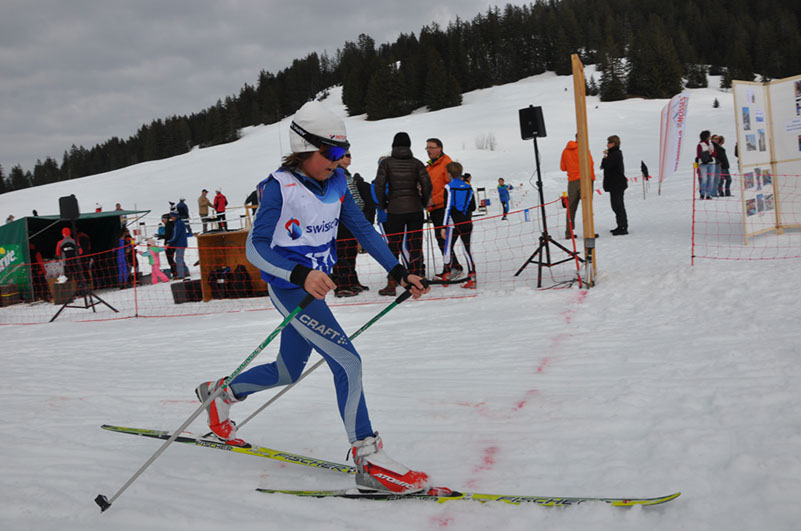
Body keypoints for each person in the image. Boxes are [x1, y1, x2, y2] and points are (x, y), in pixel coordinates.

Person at [195, 100, 431, 494]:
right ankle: (368, 458)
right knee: (348, 361)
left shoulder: (338, 182)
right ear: (304, 147)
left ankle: (221, 394)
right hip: (290, 289)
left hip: (313, 288)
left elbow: (363, 229)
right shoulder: (279, 188)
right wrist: (299, 274)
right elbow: (255, 248)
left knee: (288, 370)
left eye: (344, 153)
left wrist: (398, 271)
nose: (338, 161)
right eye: (331, 153)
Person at [374, 132, 432, 296]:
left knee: (394, 245)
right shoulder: (417, 163)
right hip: (415, 208)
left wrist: (383, 204)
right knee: (415, 244)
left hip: (395, 209)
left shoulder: (386, 163)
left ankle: (392, 283)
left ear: (393, 145)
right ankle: (418, 279)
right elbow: (427, 185)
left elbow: (379, 186)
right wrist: (423, 202)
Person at [331, 151, 370, 297]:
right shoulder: (335, 173)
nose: (350, 158)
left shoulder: (346, 174)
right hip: (341, 217)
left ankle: (351, 280)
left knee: (351, 249)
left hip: (352, 217)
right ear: (339, 158)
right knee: (342, 250)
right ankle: (341, 284)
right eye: (347, 155)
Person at [425, 138, 462, 279]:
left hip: (444, 208)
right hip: (434, 208)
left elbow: (451, 187)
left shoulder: (446, 163)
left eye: (431, 147)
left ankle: (454, 268)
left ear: (439, 148)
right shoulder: (430, 166)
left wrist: (434, 199)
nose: (428, 150)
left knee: (444, 239)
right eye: (427, 148)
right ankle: (452, 267)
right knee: (441, 240)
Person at [442, 162, 477, 288]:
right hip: (467, 221)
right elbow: (473, 207)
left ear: (449, 174)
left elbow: (447, 207)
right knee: (467, 249)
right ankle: (472, 277)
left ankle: (446, 274)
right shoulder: (468, 187)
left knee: (448, 247)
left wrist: (443, 226)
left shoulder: (448, 187)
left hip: (453, 223)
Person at [560, 136, 596, 238]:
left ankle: (569, 233)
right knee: (587, 207)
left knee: (571, 208)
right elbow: (590, 164)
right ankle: (589, 232)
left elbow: (563, 167)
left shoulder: (565, 151)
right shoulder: (584, 149)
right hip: (585, 180)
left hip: (572, 182)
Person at [601, 135, 629, 235]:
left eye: (609, 143)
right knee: (616, 206)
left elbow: (605, 165)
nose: (607, 145)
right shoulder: (614, 153)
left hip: (617, 184)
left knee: (618, 206)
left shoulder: (615, 153)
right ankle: (620, 225)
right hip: (615, 184)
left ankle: (623, 227)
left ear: (613, 143)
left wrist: (605, 156)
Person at [166, 211, 190, 279]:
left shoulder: (178, 223)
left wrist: (169, 242)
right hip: (181, 243)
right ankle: (186, 272)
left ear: (175, 216)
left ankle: (181, 275)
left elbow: (175, 235)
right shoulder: (179, 222)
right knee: (180, 258)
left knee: (178, 259)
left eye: (171, 216)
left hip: (180, 244)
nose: (171, 218)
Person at [696, 130, 716, 200]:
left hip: (711, 163)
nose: (710, 137)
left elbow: (715, 154)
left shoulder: (711, 144)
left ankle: (709, 194)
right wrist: (708, 153)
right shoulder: (700, 145)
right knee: (704, 179)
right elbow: (699, 155)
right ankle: (702, 194)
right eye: (709, 135)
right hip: (703, 163)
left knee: (711, 179)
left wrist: (711, 153)